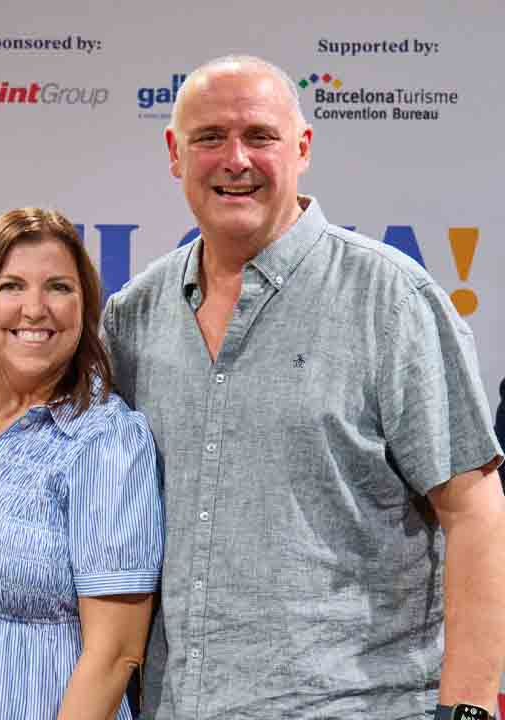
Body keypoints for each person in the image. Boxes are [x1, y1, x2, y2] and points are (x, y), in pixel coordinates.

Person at [102, 55, 505, 719]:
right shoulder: (135, 315)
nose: (235, 159)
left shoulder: (391, 299)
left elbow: (474, 507)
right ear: (175, 154)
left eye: (260, 136)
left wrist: (468, 709)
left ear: (302, 148)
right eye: (210, 138)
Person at [0, 208, 164, 720]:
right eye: (11, 286)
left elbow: (114, 655)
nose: (35, 309)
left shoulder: (105, 440)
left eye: (59, 287)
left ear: (84, 308)